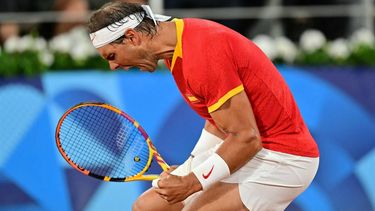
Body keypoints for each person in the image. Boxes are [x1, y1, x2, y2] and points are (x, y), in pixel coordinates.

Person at [87, 2, 319, 210]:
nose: (113, 66)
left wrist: (192, 182)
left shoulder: (202, 56)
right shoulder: (173, 41)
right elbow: (218, 122)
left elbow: (247, 137)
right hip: (252, 146)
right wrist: (194, 162)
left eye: (112, 56)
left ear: (132, 37)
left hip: (283, 158)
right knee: (147, 207)